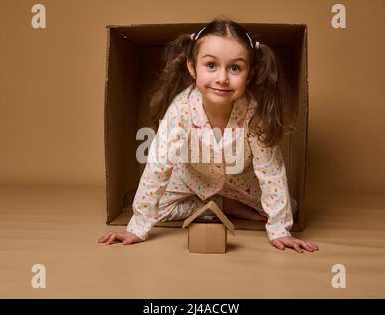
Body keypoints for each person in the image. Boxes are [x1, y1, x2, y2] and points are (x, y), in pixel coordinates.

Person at [98, 18, 318, 253]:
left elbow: (270, 171)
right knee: (156, 208)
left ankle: (230, 201)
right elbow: (157, 166)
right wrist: (137, 227)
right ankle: (222, 205)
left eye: (235, 68)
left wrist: (280, 231)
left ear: (250, 75)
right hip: (190, 177)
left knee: (288, 209)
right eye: (211, 65)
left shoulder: (254, 113)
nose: (222, 78)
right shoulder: (180, 109)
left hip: (238, 181)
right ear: (192, 67)